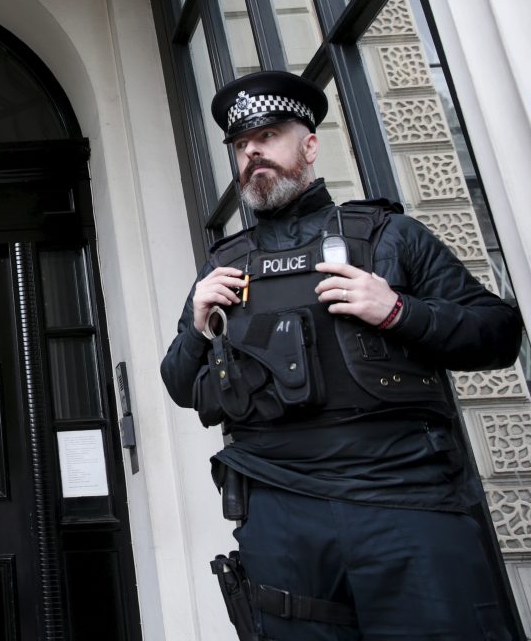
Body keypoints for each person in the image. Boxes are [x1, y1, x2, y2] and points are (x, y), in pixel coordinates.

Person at [160, 71, 523, 640]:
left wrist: (400, 311)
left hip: (404, 505)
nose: (253, 150)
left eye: (270, 135)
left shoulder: (388, 237)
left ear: (309, 145)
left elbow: (500, 335)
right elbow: (180, 386)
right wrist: (198, 332)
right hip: (278, 514)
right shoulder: (224, 268)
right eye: (240, 144)